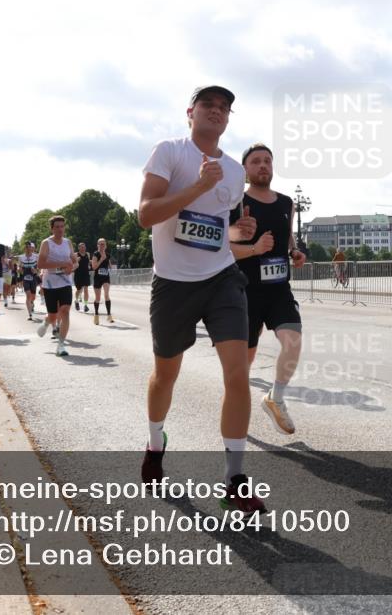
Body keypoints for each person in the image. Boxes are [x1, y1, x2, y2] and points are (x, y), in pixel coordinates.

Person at [137, 85, 265, 513]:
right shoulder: (170, 152)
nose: (216, 111)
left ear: (228, 118)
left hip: (221, 279)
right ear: (190, 112)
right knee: (165, 376)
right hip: (173, 283)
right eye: (208, 105)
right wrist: (196, 186)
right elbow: (146, 215)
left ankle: (234, 479)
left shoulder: (234, 170)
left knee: (237, 374)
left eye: (224, 107)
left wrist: (238, 233)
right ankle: (155, 442)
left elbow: (215, 230)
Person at [230, 143, 305, 435]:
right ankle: (235, 415)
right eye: (256, 161)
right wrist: (254, 249)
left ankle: (276, 398)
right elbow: (223, 247)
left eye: (267, 161)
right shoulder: (236, 202)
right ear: (245, 170)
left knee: (293, 341)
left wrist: (295, 252)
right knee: (243, 365)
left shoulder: (286, 202)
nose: (263, 165)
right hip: (245, 290)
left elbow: (288, 238)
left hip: (278, 290)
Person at [36, 216, 77, 356]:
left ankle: (61, 345)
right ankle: (47, 322)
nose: (60, 229)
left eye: (62, 226)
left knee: (65, 311)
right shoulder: (46, 243)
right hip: (50, 284)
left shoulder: (68, 243)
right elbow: (40, 264)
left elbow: (75, 262)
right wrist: (62, 264)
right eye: (57, 227)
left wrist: (71, 268)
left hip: (65, 282)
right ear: (52, 229)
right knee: (53, 316)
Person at [90, 238, 114, 325]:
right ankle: (96, 315)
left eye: (103, 244)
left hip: (106, 277)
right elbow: (94, 267)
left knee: (107, 295)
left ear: (106, 246)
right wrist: (101, 260)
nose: (102, 246)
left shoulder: (107, 255)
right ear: (97, 245)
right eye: (100, 244)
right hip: (97, 278)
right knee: (98, 298)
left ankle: (109, 315)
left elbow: (110, 265)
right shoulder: (95, 254)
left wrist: (110, 266)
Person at [19, 243, 39, 320]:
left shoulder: (36, 256)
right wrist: (20, 269)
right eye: (26, 247)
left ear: (31, 248)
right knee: (28, 295)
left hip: (33, 278)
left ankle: (31, 302)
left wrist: (35, 270)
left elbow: (39, 268)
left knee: (33, 297)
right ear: (24, 249)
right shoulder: (21, 257)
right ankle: (30, 314)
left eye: (29, 247)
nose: (28, 249)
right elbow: (20, 270)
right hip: (25, 278)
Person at [73, 242, 91, 313]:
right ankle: (76, 301)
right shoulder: (75, 254)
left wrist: (89, 265)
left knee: (86, 289)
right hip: (78, 274)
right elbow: (72, 264)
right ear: (79, 248)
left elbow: (88, 262)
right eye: (82, 247)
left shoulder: (88, 254)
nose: (83, 248)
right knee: (79, 290)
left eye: (84, 247)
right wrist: (76, 261)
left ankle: (85, 305)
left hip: (86, 274)